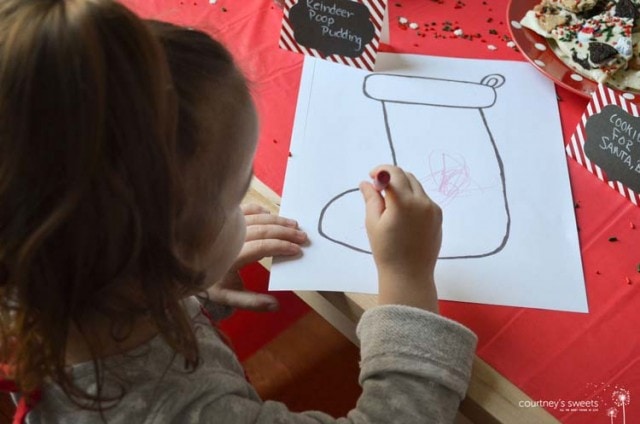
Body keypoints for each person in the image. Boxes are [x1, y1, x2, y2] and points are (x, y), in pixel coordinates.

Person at [0, 0, 477, 422]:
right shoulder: (187, 411)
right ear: (164, 249)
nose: (246, 208)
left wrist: (186, 291)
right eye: (235, 198)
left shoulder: (33, 275)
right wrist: (406, 277)